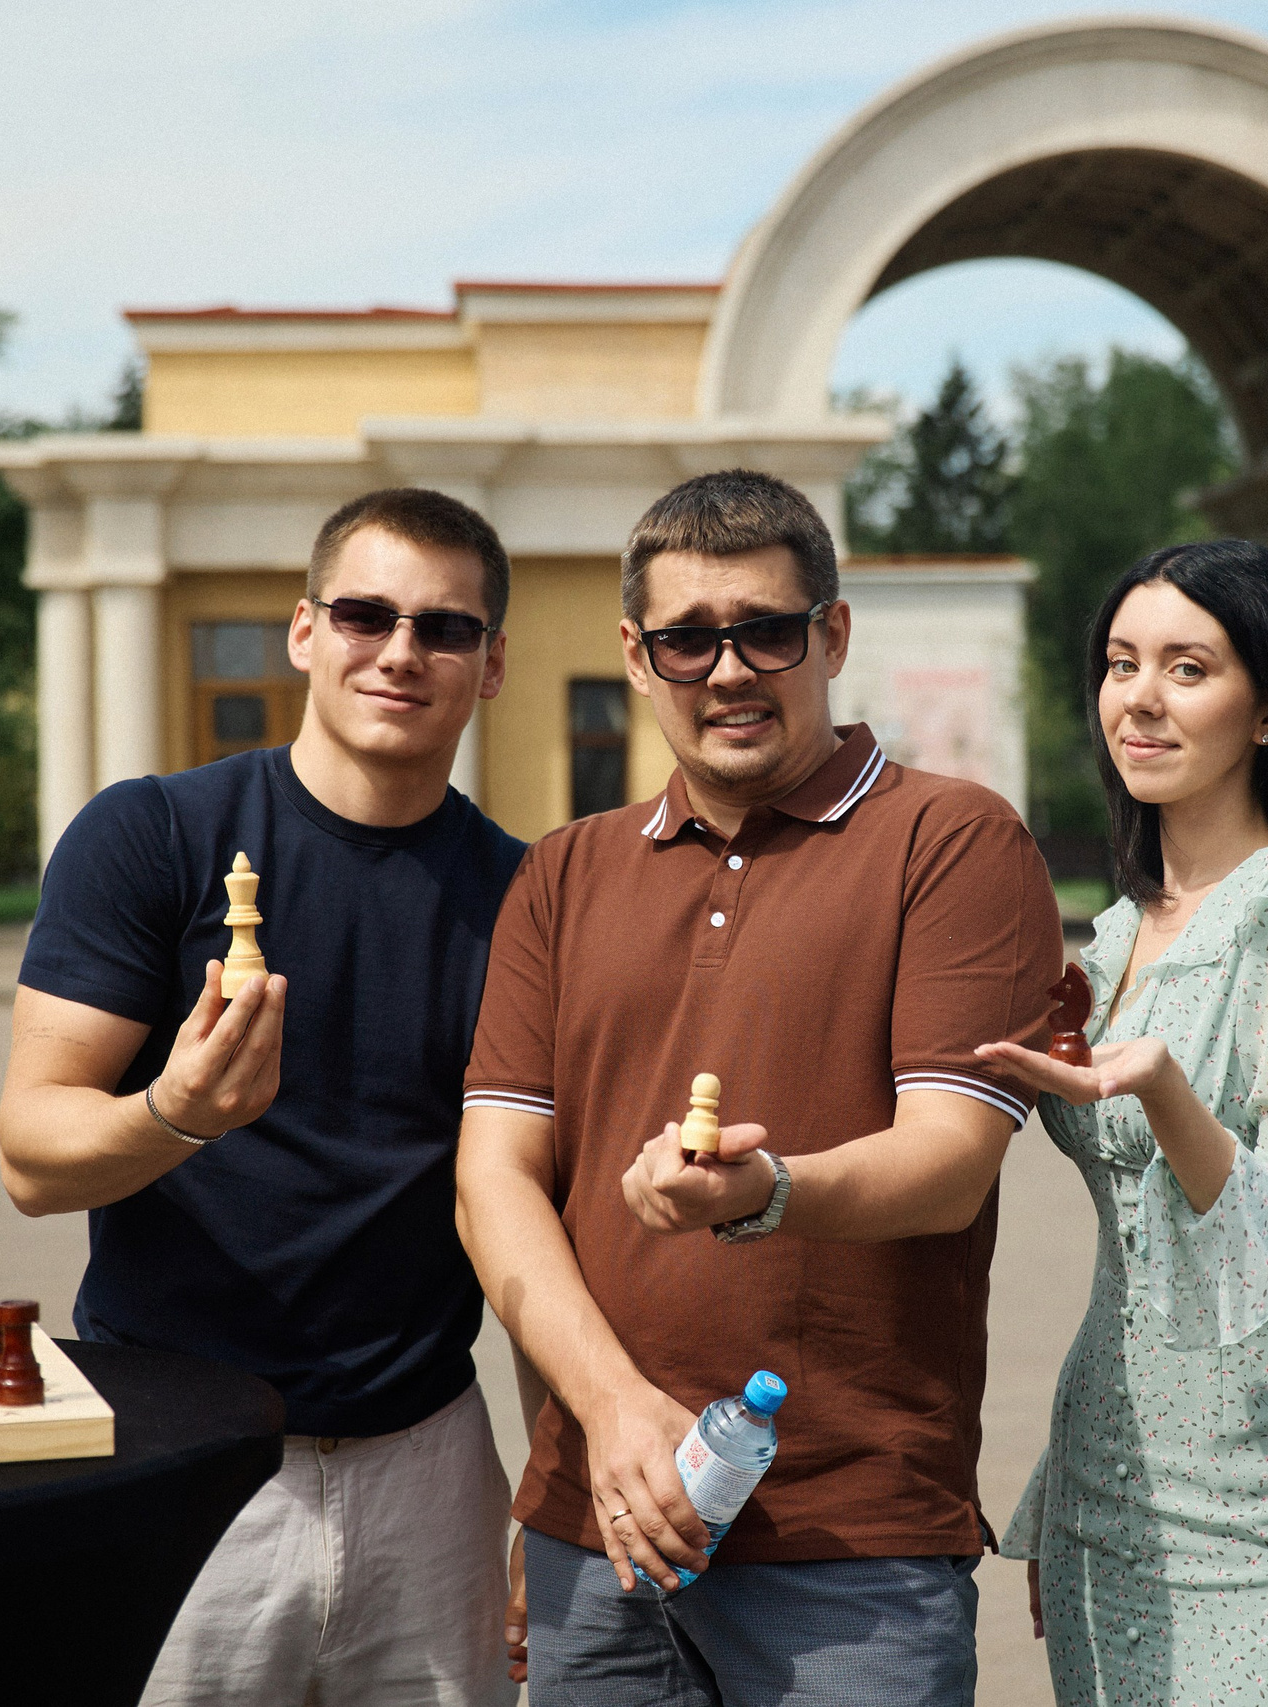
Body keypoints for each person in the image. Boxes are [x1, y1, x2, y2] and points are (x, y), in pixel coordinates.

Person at [455, 468, 1065, 1706]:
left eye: (765, 632)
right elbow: (493, 1179)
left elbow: (947, 1164)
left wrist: (769, 1191)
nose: (727, 670)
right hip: (603, 1524)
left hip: (851, 1544)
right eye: (686, 639)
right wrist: (613, 1419)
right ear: (637, 656)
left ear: (830, 634)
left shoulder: (950, 840)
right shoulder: (564, 873)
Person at [0, 488, 527, 1707]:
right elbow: (32, 1154)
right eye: (365, 614)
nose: (401, 651)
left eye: (445, 628)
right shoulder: (155, 837)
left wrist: (550, 1487)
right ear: (304, 630)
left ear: (492, 664)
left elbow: (537, 1217)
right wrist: (174, 1111)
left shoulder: (525, 897)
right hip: (188, 1452)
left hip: (428, 1463)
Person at [976, 538, 1268, 1705]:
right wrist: (1062, 1480)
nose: (1142, 700)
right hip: (1107, 1493)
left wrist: (1167, 1092)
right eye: (1122, 664)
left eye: (1187, 668)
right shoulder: (1113, 937)